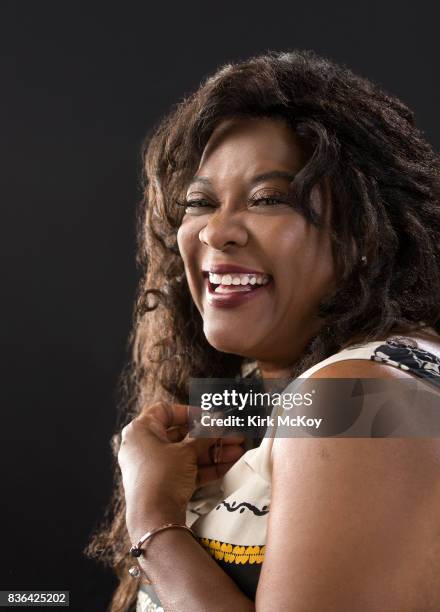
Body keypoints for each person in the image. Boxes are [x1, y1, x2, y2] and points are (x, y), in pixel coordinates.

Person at [86, 49, 440, 611]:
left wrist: (151, 522)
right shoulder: (260, 389)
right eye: (199, 202)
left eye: (268, 199)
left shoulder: (363, 395)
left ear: (368, 228)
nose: (216, 232)